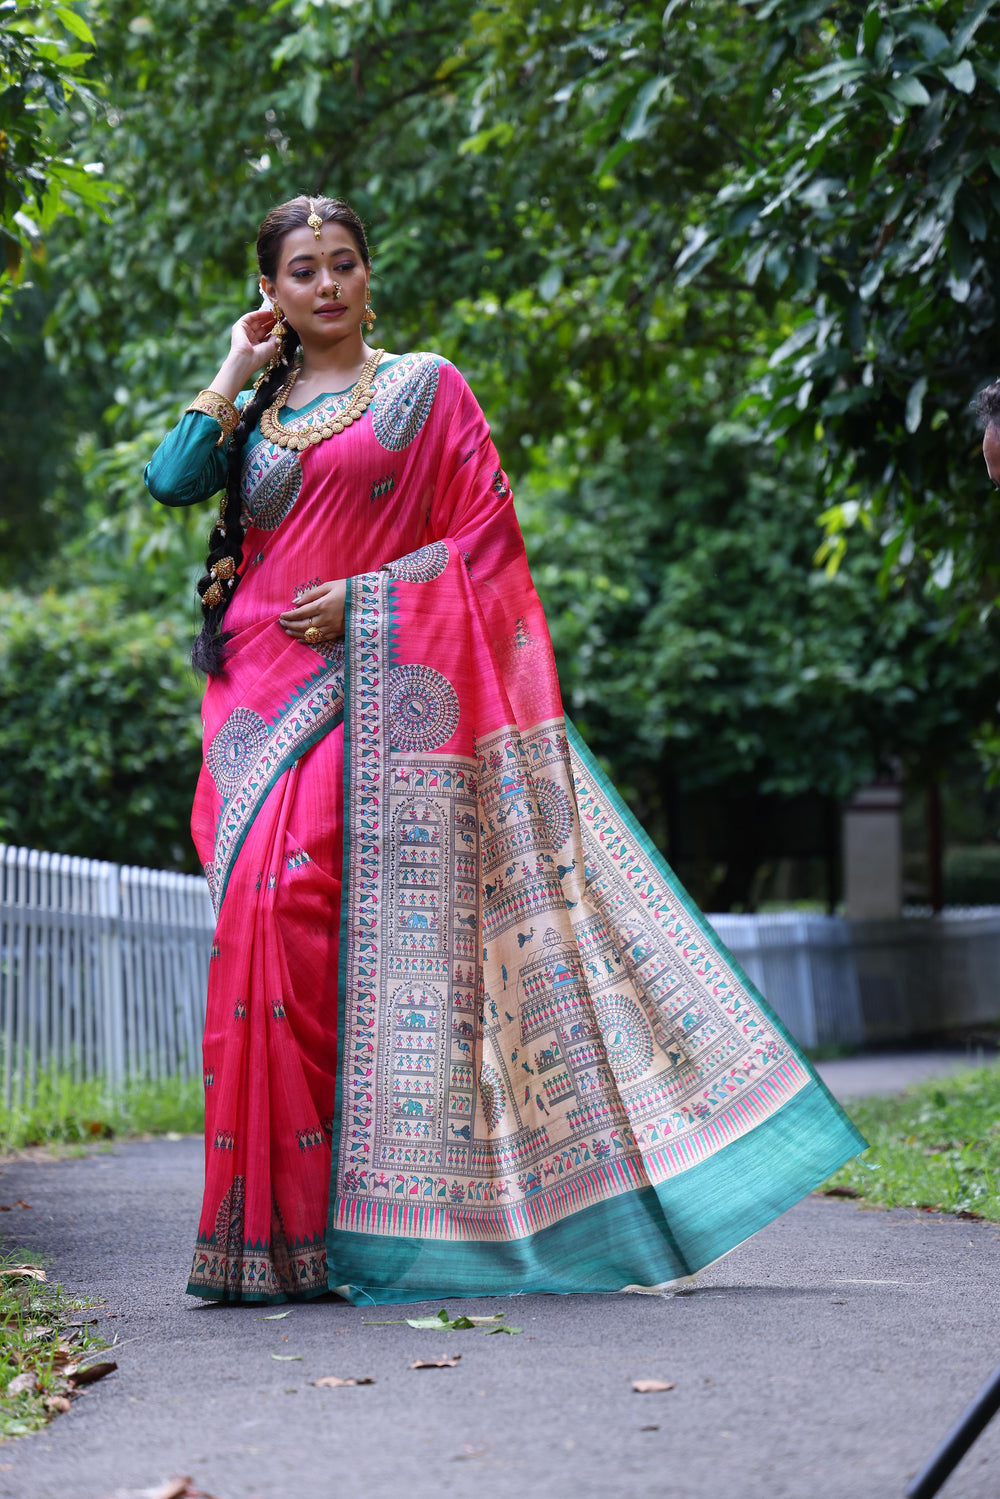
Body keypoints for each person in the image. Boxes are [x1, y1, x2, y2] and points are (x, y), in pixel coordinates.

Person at [146, 194, 864, 1306]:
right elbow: (169, 479)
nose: (327, 284)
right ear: (271, 292)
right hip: (254, 702)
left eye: (343, 263)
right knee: (259, 929)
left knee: (305, 917)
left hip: (375, 688)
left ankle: (355, 1222)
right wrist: (233, 366)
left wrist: (370, 598)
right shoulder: (256, 409)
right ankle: (277, 1238)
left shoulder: (425, 388)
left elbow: (484, 544)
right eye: (302, 270)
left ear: (370, 276)